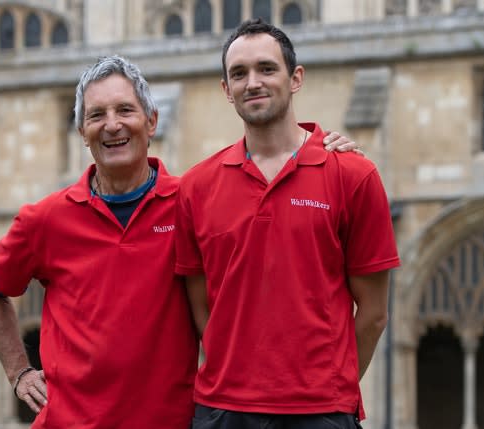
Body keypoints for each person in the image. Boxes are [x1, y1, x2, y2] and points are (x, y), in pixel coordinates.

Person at [0, 55, 359, 428]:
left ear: (152, 121)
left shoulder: (196, 199)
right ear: (81, 132)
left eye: (125, 110)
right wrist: (19, 371)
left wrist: (320, 151)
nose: (112, 125)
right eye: (96, 115)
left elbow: (272, 215)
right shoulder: (46, 219)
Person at [174, 19, 401, 429]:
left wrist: (331, 389)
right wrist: (239, 372)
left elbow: (374, 313)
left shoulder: (353, 175)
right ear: (226, 90)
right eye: (238, 74)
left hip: (320, 413)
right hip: (224, 411)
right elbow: (200, 303)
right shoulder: (196, 187)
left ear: (295, 78)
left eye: (266, 68)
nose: (253, 82)